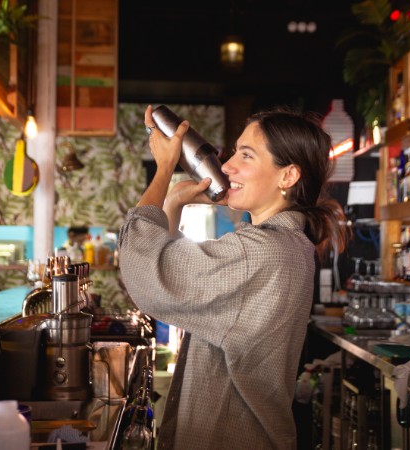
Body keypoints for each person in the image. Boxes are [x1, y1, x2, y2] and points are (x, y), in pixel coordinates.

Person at [119, 105, 347, 449]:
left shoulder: (262, 249)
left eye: (247, 155)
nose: (227, 166)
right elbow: (178, 272)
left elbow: (147, 268)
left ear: (288, 176)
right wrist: (175, 202)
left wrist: (165, 167)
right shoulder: (287, 244)